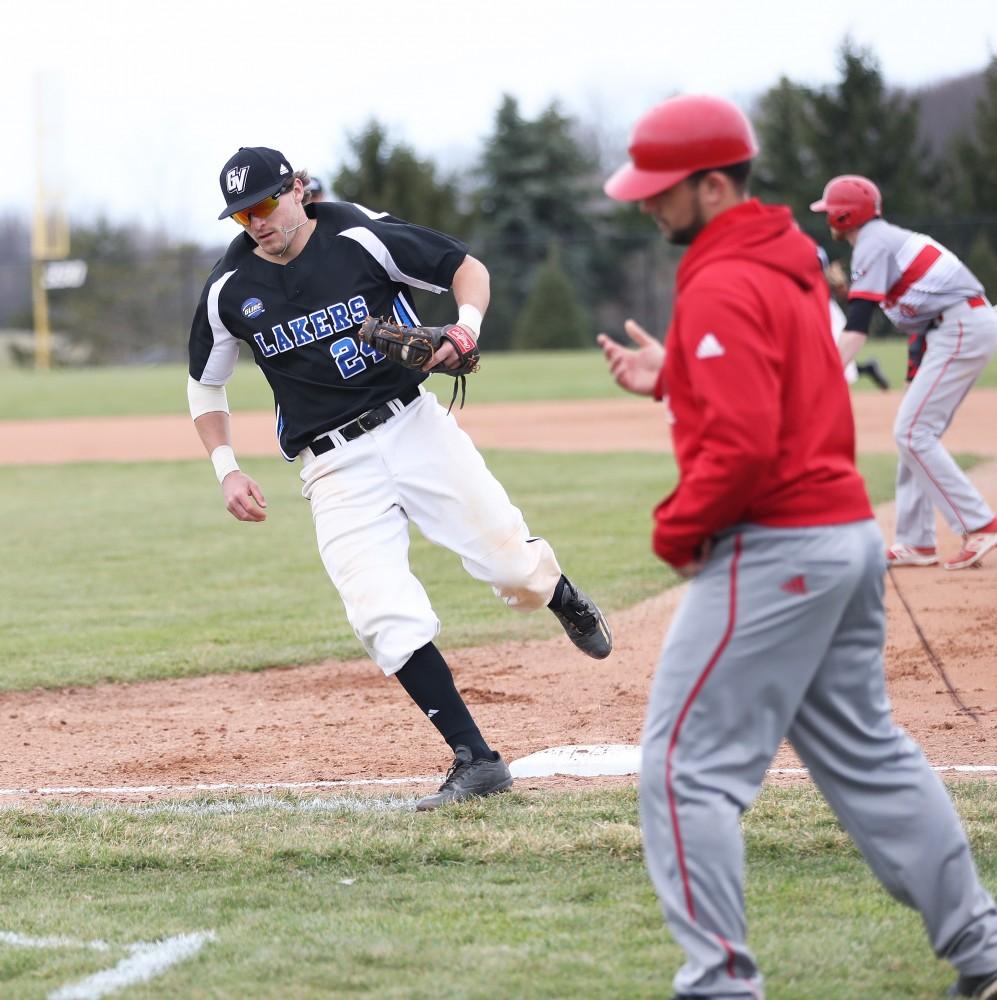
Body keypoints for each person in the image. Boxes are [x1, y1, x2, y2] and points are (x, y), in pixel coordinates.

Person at [597, 95, 997, 1000]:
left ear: (711, 184)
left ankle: (718, 986)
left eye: (661, 191)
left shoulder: (723, 276)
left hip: (777, 547)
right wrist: (677, 378)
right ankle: (984, 953)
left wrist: (675, 532)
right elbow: (783, 391)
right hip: (845, 538)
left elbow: (741, 447)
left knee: (681, 774)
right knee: (870, 756)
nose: (645, 205)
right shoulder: (782, 262)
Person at [187, 146, 612, 811]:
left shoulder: (357, 234)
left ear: (296, 190)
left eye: (266, 203)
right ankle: (475, 758)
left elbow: (465, 267)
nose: (257, 222)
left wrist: (465, 330)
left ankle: (555, 590)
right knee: (379, 610)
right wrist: (226, 469)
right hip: (331, 463)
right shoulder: (227, 290)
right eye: (242, 215)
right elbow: (204, 386)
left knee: (510, 569)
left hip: (414, 427)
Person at [811, 175, 997, 570]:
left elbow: (857, 327)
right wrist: (915, 371)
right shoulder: (880, 241)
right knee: (913, 432)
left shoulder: (873, 245)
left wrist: (820, 376)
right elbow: (917, 316)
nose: (826, 218)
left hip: (961, 326)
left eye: (830, 211)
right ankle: (917, 542)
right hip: (953, 327)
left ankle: (981, 524)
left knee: (912, 432)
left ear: (845, 216)